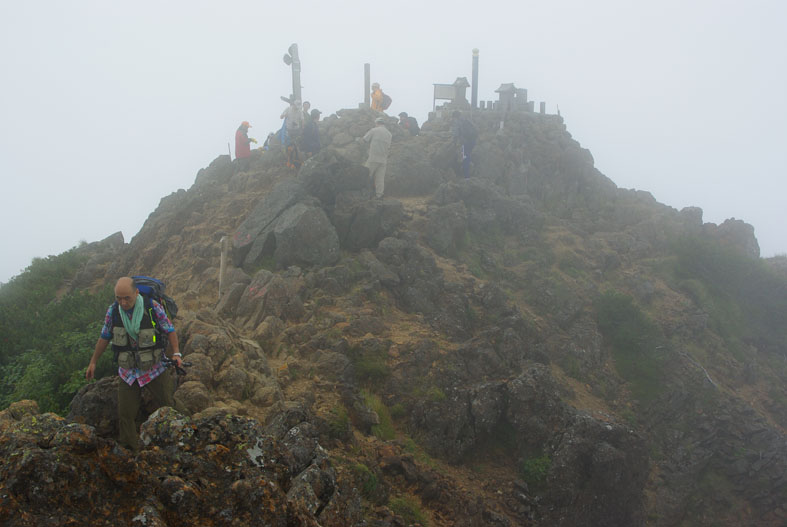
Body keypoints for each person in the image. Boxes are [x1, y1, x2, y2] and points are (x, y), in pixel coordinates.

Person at [85, 277, 182, 453]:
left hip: (154, 368)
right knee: (126, 414)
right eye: (118, 298)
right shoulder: (113, 311)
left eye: (127, 298)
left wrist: (176, 353)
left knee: (168, 404)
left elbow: (169, 329)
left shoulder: (152, 307)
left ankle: (190, 427)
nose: (123, 302)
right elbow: (105, 336)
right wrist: (93, 362)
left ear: (136, 293)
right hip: (128, 372)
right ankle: (130, 451)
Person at [361, 117, 393, 199]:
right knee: (380, 179)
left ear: (377, 123)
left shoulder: (374, 130)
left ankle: (363, 194)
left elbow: (364, 139)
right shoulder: (389, 134)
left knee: (366, 175)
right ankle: (379, 195)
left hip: (373, 158)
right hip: (383, 159)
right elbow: (388, 147)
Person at [452, 111, 478, 179]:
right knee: (468, 156)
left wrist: (454, 142)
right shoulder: (466, 119)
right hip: (473, 140)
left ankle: (466, 176)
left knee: (465, 157)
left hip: (466, 142)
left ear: (455, 117)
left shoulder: (458, 121)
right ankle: (468, 170)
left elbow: (455, 133)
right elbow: (475, 128)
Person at [280, 99, 305, 169]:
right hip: (289, 129)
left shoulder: (299, 111)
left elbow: (302, 119)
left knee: (297, 145)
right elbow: (281, 116)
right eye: (296, 107)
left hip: (297, 129)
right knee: (289, 146)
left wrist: (303, 126)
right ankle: (289, 161)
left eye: (298, 108)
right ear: (293, 105)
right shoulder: (288, 109)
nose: (296, 109)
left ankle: (297, 161)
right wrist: (284, 115)